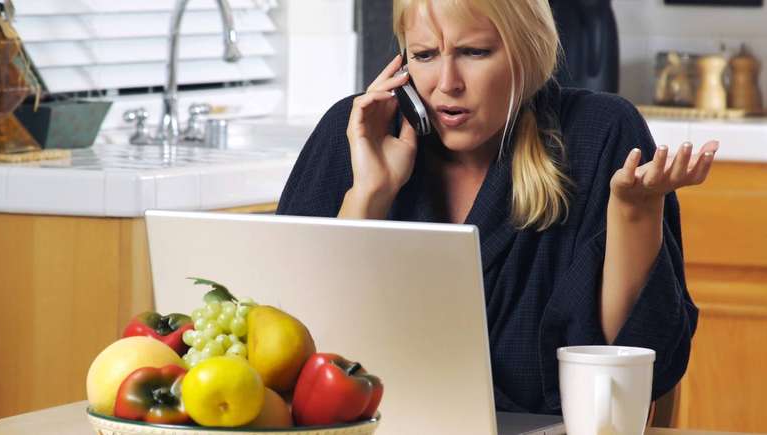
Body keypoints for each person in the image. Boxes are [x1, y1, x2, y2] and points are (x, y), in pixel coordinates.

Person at [277, 0, 717, 414]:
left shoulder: (599, 132)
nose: (446, 83)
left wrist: (634, 213)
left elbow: (626, 367)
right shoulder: (355, 131)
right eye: (425, 55)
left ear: (528, 50)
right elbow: (286, 352)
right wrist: (369, 195)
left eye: (474, 52)